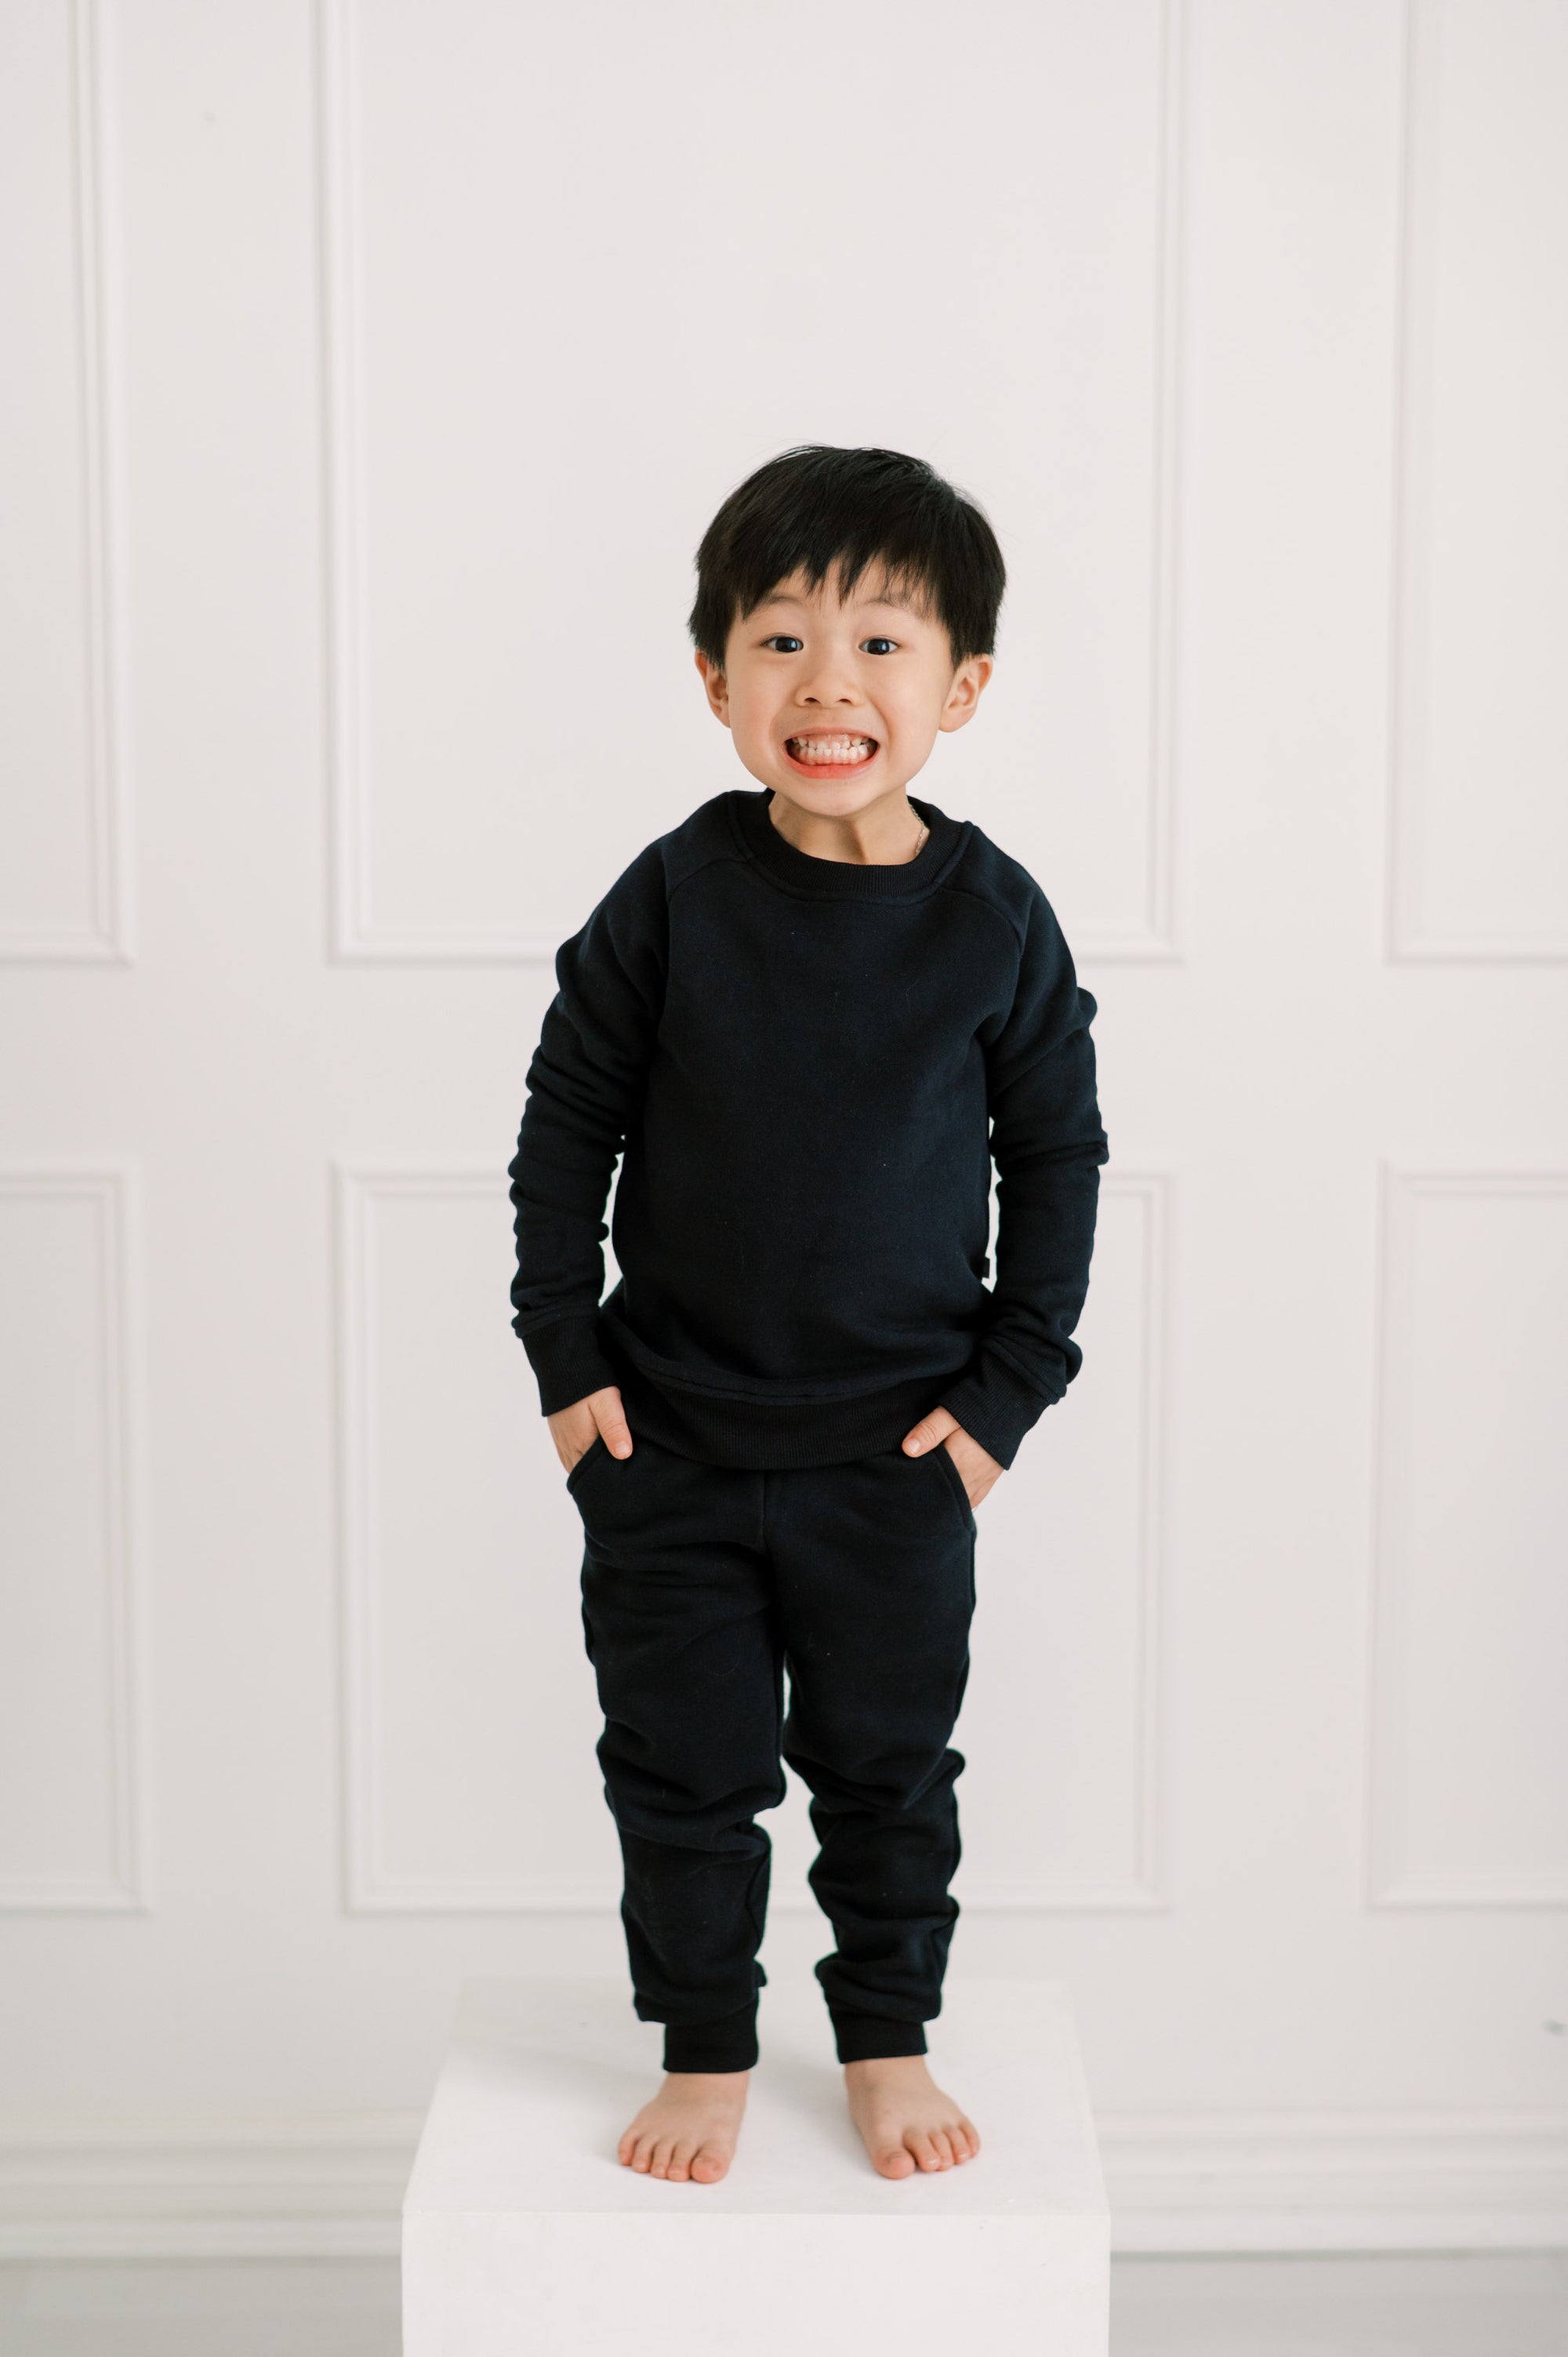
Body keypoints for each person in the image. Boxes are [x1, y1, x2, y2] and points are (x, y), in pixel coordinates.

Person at [506, 445, 1108, 2187]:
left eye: (880, 645)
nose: (827, 686)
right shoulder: (675, 895)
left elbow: (1057, 1160)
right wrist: (566, 1360)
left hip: (897, 1457)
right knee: (681, 1773)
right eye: (780, 641)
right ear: (715, 680)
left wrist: (1004, 1400)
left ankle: (883, 2039)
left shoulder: (993, 922)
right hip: (667, 1444)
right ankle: (704, 2047)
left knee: (886, 1770)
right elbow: (566, 1120)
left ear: (962, 686)